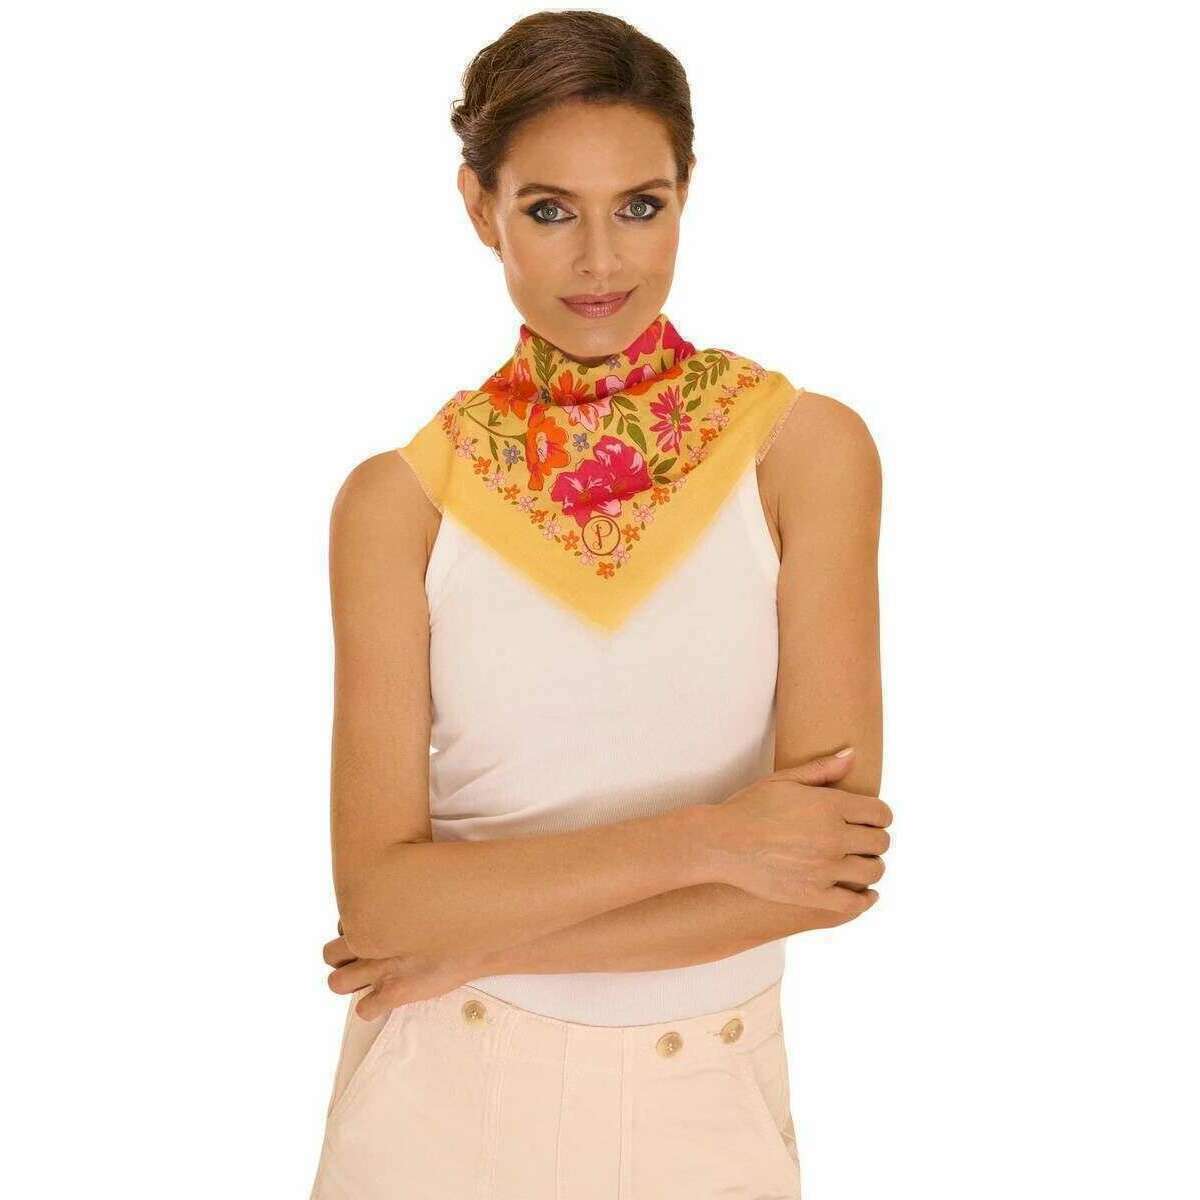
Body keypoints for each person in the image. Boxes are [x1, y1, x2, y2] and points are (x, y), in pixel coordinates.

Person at [307, 11, 890, 1199]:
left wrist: (470, 938)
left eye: (639, 205)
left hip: (704, 1103)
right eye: (548, 210)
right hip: (437, 1102)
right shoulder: (398, 505)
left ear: (686, 194)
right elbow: (381, 899)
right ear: (480, 207)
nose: (600, 262)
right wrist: (712, 840)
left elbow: (828, 867)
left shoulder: (802, 454)